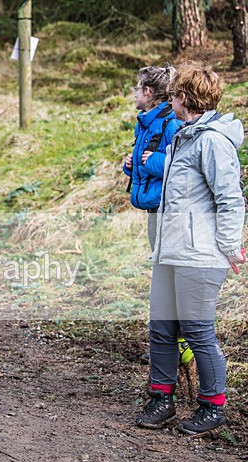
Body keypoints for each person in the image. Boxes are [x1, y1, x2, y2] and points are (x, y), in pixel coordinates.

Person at [136, 63, 246, 436]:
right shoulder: (183, 137)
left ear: (184, 98)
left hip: (200, 256)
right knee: (161, 328)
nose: (171, 101)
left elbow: (230, 199)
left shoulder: (212, 142)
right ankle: (161, 399)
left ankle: (213, 406)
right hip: (171, 252)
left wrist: (230, 246)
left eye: (174, 95)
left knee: (198, 331)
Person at [123, 66, 184, 365]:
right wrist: (131, 164)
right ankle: (166, 346)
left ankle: (179, 346)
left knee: (169, 279)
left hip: (166, 211)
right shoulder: (146, 123)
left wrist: (152, 162)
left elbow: (180, 166)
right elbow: (146, 162)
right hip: (152, 209)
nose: (134, 92)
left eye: (137, 88)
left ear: (147, 92)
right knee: (162, 277)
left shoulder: (171, 123)